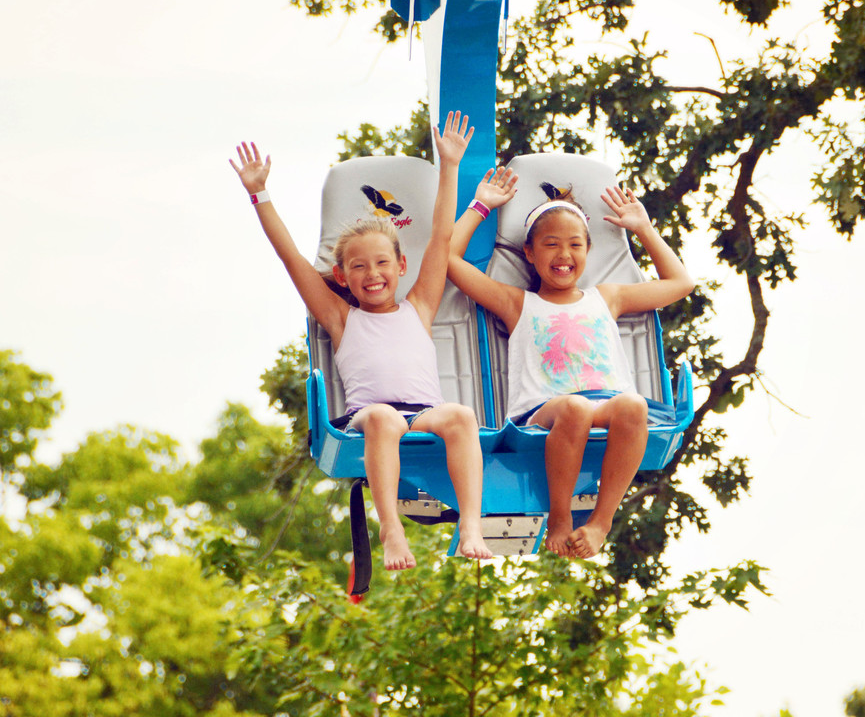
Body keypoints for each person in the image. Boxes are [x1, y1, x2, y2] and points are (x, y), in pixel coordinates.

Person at [229, 111, 493, 570]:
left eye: (382, 264)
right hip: (370, 417)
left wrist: (448, 166)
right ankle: (391, 529)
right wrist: (260, 193)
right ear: (342, 276)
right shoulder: (340, 317)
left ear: (400, 267)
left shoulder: (420, 306)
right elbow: (291, 257)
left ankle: (471, 523)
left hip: (425, 413)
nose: (373, 274)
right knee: (384, 419)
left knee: (462, 416)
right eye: (359, 267)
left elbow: (440, 238)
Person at [447, 168, 695, 558]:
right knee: (576, 407)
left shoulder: (607, 297)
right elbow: (449, 260)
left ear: (587, 250)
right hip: (543, 411)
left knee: (634, 404)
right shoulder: (517, 303)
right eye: (551, 244)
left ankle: (600, 521)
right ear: (529, 253)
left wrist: (644, 229)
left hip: (607, 401)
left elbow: (681, 283)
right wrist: (481, 206)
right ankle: (560, 518)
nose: (564, 255)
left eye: (575, 245)